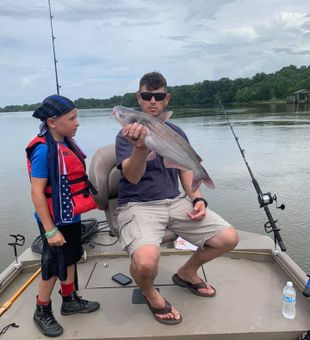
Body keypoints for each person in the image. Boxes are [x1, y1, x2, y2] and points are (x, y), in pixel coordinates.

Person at [115, 72, 239, 325]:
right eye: (147, 96)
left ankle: (186, 273)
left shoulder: (176, 130)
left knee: (228, 238)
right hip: (138, 205)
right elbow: (132, 176)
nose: (152, 101)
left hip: (175, 202)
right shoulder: (126, 135)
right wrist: (140, 148)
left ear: (166, 99)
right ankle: (151, 294)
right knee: (147, 263)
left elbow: (185, 169)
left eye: (158, 96)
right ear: (139, 98)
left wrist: (198, 199)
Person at [26, 95, 100, 337]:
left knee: (70, 258)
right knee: (52, 265)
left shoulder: (66, 143)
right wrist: (49, 229)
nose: (77, 122)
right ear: (52, 122)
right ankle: (42, 309)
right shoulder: (43, 151)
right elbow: (37, 193)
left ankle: (69, 300)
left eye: (76, 116)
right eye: (72, 118)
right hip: (54, 220)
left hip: (71, 215)